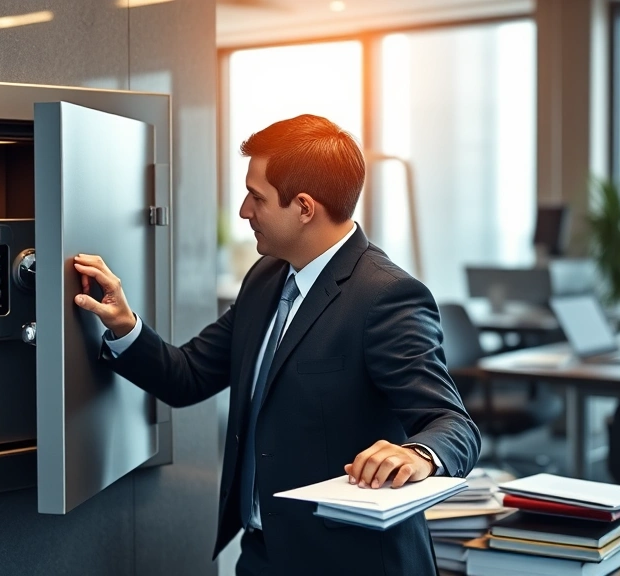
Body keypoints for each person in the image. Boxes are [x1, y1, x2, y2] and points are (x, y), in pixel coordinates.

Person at [72, 114, 480, 575]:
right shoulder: (266, 278)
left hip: (352, 564)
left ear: (304, 207)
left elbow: (453, 424)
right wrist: (125, 325)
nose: (245, 210)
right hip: (262, 555)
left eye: (257, 197)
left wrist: (416, 454)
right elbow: (188, 376)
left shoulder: (385, 295)